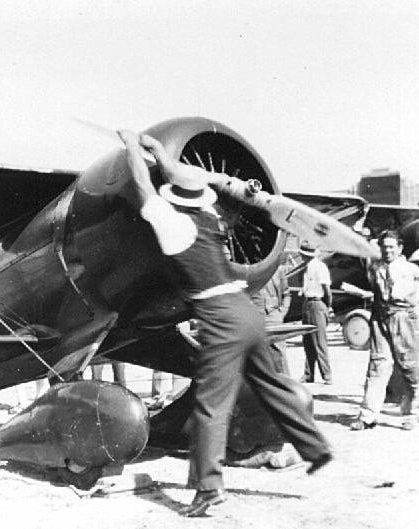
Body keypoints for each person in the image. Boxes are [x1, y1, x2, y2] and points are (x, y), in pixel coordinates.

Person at [120, 130, 332, 517]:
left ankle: (208, 490)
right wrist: (163, 157)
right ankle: (315, 447)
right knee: (271, 386)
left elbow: (139, 184)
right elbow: (202, 180)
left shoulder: (172, 223)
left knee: (211, 406)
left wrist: (133, 147)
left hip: (218, 317)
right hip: (247, 310)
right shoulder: (211, 214)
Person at [350, 230, 419, 431]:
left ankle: (412, 414)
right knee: (377, 366)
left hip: (405, 320)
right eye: (384, 247)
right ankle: (367, 416)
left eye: (392, 247)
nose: (387, 251)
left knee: (411, 368)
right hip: (381, 318)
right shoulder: (376, 269)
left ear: (400, 248)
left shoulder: (412, 270)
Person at [249, 257, 292, 374]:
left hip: (273, 315)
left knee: (279, 352)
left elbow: (286, 293)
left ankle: (286, 384)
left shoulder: (278, 271)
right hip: (255, 316)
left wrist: (282, 311)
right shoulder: (249, 270)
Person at [298, 242, 333, 384]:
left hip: (317, 303)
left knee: (319, 340)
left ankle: (327, 375)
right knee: (307, 340)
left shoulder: (319, 267)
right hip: (308, 302)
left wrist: (326, 306)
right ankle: (309, 374)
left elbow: (327, 290)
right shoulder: (308, 267)